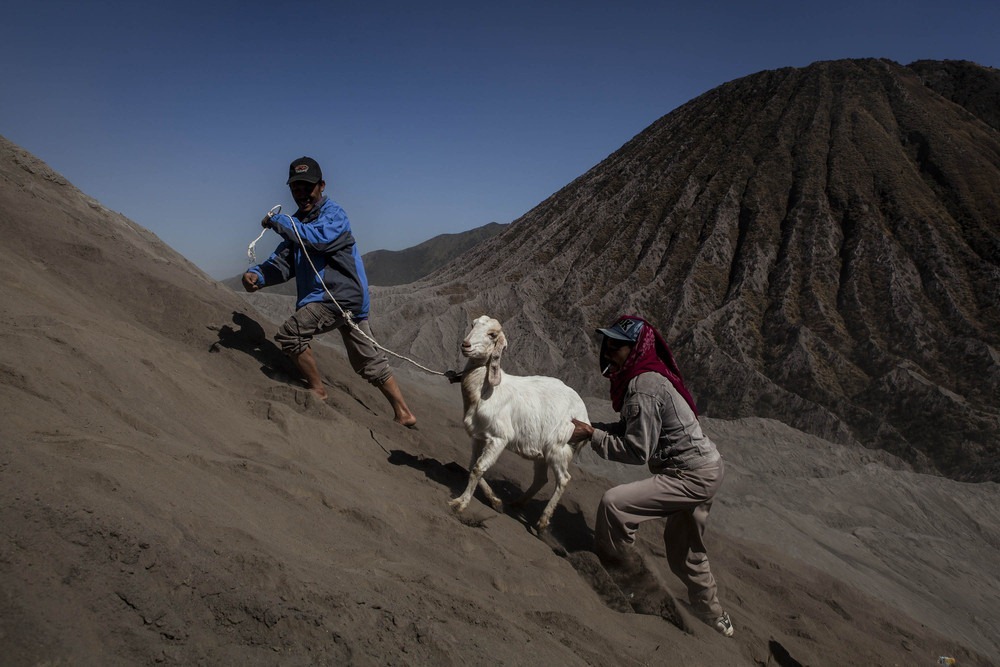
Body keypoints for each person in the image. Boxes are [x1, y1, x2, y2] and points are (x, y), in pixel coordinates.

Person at [570, 315, 733, 637]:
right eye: (607, 343)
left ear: (635, 349)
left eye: (617, 345)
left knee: (615, 504)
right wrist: (596, 428)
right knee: (686, 552)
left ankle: (622, 576)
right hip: (707, 467)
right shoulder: (648, 377)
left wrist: (592, 437)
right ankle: (713, 615)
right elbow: (638, 427)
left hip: (689, 474)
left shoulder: (642, 386)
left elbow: (636, 450)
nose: (608, 351)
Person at [242, 156, 416, 427]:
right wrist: (259, 276)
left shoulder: (334, 215)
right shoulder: (297, 224)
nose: (302, 194)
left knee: (291, 333)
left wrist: (278, 222)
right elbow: (282, 263)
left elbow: (318, 240)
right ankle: (404, 412)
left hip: (338, 296)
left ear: (321, 186)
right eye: (296, 189)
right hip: (336, 299)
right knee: (368, 360)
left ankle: (317, 390)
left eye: (307, 187)